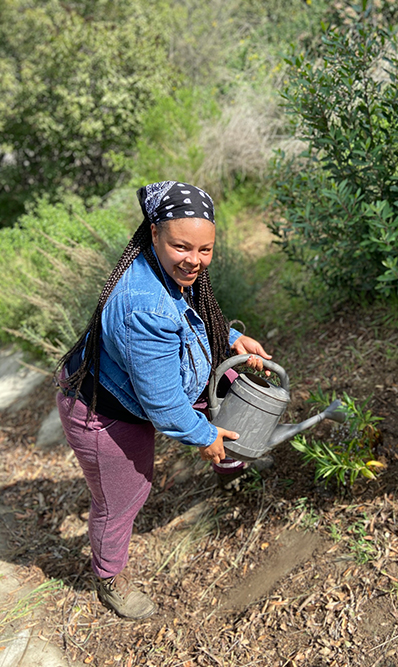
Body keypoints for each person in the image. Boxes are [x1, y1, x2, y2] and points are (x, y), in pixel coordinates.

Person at [56, 180, 273, 620]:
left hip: (141, 390)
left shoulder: (171, 271)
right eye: (182, 246)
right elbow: (165, 405)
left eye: (205, 249)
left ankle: (232, 468)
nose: (194, 260)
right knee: (122, 500)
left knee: (229, 386)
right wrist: (202, 435)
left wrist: (232, 338)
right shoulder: (143, 305)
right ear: (154, 233)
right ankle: (109, 578)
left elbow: (191, 324)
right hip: (104, 411)